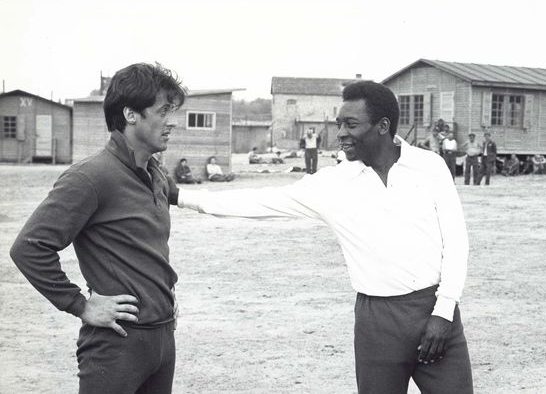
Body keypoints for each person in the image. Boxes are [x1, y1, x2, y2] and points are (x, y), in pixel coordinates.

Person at [177, 81, 473, 393]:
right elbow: (258, 201)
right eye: (339, 124)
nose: (341, 133)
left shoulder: (429, 167)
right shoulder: (331, 185)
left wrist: (443, 312)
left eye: (351, 124)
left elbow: (455, 241)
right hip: (377, 320)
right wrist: (183, 197)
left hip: (436, 312)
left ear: (383, 126)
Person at [10, 62, 185, 394]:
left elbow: (145, 246)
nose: (171, 121)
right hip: (117, 344)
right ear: (131, 114)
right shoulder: (90, 177)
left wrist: (163, 291)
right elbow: (29, 248)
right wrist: (80, 304)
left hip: (163, 337)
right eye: (163, 111)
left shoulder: (156, 174)